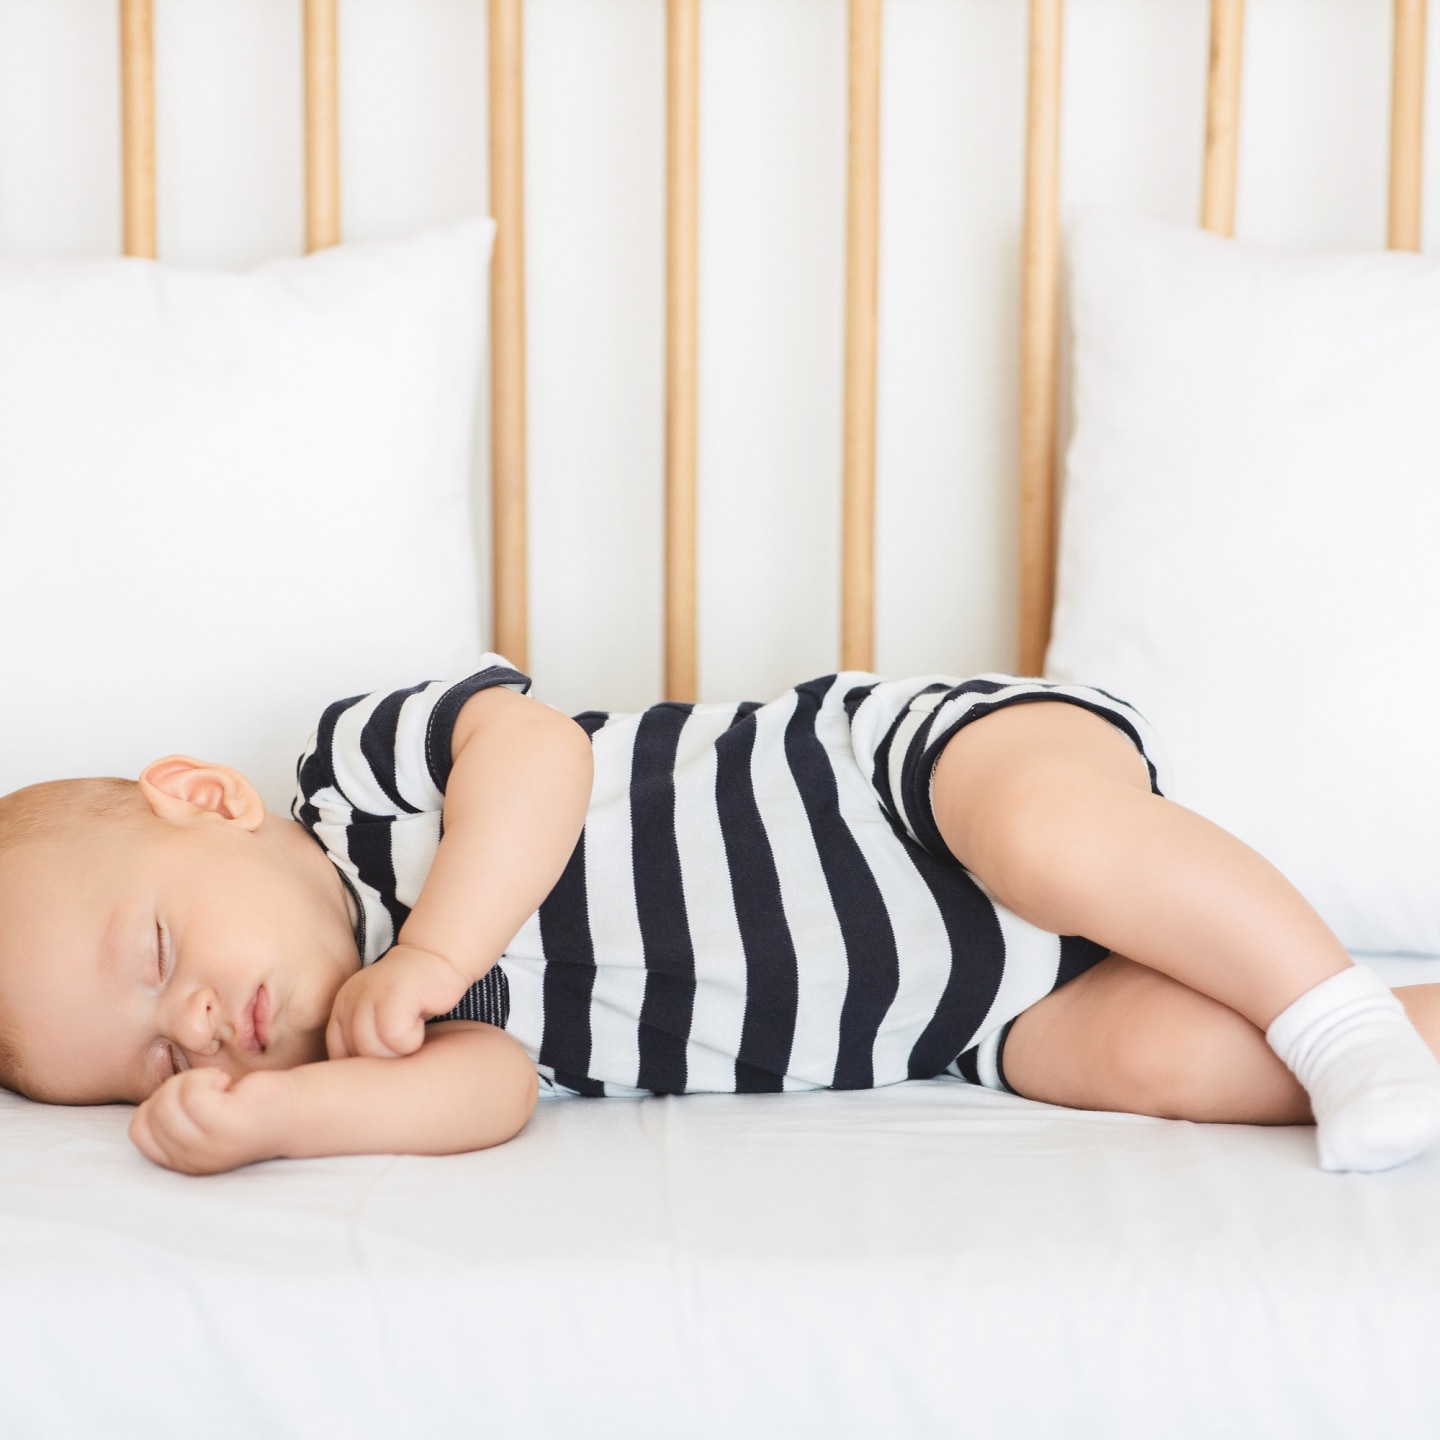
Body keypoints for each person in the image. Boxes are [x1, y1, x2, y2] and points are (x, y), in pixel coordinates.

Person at [1, 659, 1437, 1178]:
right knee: (1159, 1067)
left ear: (205, 800)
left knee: (1063, 842)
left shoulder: (354, 781)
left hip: (911, 784)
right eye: (154, 1062)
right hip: (975, 1016)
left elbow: (535, 749)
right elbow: (495, 1094)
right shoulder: (365, 1052)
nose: (189, 1027)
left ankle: (1335, 1010)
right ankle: (1408, 1038)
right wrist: (276, 1122)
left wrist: (440, 946)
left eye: (159, 955)